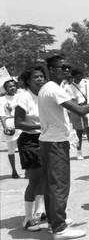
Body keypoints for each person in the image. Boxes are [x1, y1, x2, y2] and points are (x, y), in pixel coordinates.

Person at [38, 54, 89, 238]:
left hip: (49, 141)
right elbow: (81, 110)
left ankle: (55, 220)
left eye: (68, 66)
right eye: (63, 67)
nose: (67, 70)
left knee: (52, 185)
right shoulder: (54, 89)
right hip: (55, 143)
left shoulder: (48, 88)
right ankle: (59, 228)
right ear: (52, 70)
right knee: (59, 185)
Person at [14, 64, 47, 232]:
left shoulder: (44, 95)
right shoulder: (24, 97)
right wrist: (40, 126)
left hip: (44, 139)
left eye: (42, 76)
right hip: (30, 141)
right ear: (28, 80)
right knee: (34, 181)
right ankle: (27, 219)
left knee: (44, 178)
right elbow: (18, 122)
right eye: (36, 77)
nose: (40, 79)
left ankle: (39, 211)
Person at [64, 68, 89, 160]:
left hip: (86, 108)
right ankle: (79, 151)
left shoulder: (85, 85)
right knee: (79, 132)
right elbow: (72, 101)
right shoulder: (69, 87)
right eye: (77, 76)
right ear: (73, 77)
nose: (79, 78)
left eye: (81, 76)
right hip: (76, 109)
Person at [0, 79, 22, 178]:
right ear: (5, 89)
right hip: (10, 123)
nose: (12, 88)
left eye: (13, 85)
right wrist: (5, 127)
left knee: (24, 148)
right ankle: (14, 170)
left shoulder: (20, 96)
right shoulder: (2, 99)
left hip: (21, 123)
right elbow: (2, 115)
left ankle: (27, 170)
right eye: (10, 86)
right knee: (11, 150)